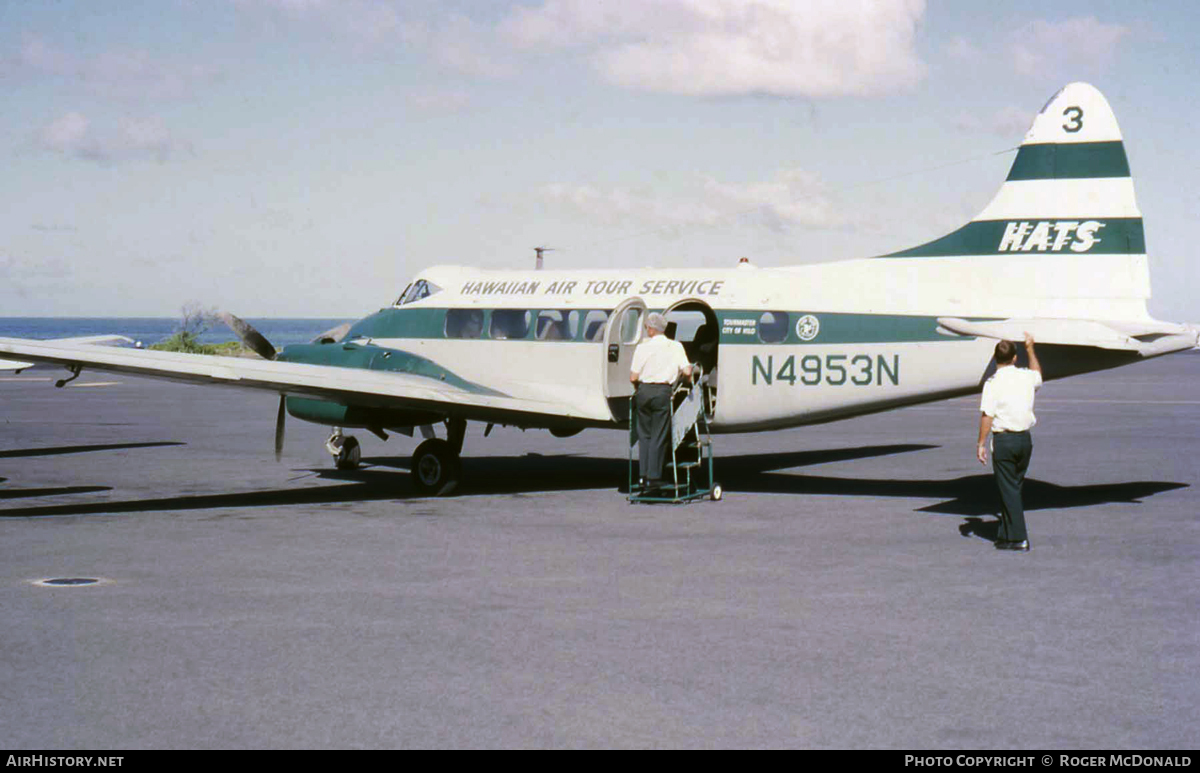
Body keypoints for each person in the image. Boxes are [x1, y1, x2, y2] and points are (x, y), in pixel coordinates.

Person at [976, 333, 1042, 551]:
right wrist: (1030, 349)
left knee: (1009, 490)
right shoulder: (1025, 377)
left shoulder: (992, 384)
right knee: (1012, 488)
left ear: (996, 359)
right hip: (1025, 440)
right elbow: (1038, 376)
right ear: (1015, 358)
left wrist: (981, 443)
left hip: (1005, 441)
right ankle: (1005, 535)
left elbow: (987, 415)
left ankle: (1019, 538)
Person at [630, 312, 693, 493]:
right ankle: (654, 478)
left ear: (650, 329)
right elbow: (687, 371)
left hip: (643, 391)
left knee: (645, 436)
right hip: (662, 392)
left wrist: (639, 389)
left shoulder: (642, 348)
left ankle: (643, 477)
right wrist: (687, 382)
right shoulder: (675, 346)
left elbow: (633, 376)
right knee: (659, 435)